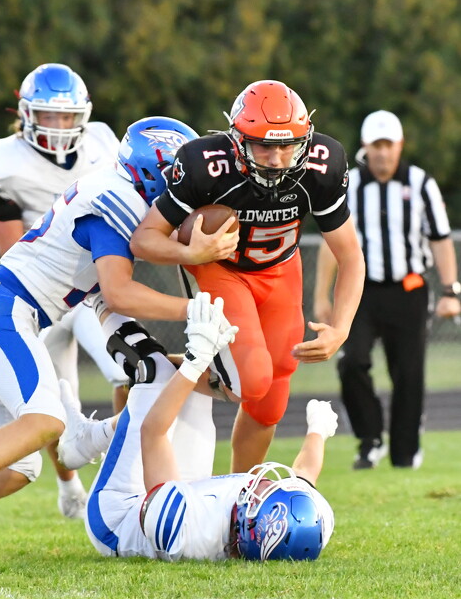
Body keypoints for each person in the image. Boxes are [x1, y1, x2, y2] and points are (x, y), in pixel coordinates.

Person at [0, 116, 200, 565]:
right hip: (5, 310)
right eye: (181, 177)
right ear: (154, 173)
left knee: (19, 469)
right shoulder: (117, 203)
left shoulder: (115, 190)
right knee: (44, 420)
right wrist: (194, 309)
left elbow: (102, 296)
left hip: (0, 312)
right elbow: (120, 291)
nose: (188, 189)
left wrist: (148, 346)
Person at [130, 80, 365, 473]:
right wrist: (190, 253)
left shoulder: (323, 165)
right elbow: (144, 239)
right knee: (251, 380)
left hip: (280, 268)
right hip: (220, 268)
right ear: (238, 141)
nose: (276, 158)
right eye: (263, 146)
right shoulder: (205, 165)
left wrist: (341, 329)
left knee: (271, 401)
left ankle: (239, 492)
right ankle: (151, 367)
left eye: (287, 146)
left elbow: (351, 256)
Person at [60, 292, 338, 561]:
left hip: (120, 515)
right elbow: (304, 475)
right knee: (205, 383)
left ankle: (98, 294)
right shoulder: (308, 522)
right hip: (190, 493)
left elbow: (153, 432)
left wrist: (196, 358)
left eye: (260, 497)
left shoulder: (182, 527)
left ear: (246, 524)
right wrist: (318, 429)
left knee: (155, 371)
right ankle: (92, 437)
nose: (264, 485)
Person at [0, 62, 130, 519]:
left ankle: (124, 475)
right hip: (42, 291)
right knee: (55, 403)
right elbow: (12, 249)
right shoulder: (1, 163)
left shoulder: (103, 142)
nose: (59, 126)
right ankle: (70, 487)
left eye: (67, 116)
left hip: (94, 288)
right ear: (26, 114)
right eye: (49, 115)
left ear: (83, 116)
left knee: (127, 370)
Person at [313, 110, 461, 470]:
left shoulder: (421, 183)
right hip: (361, 292)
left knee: (408, 372)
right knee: (352, 362)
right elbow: (332, 244)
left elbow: (440, 239)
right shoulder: (348, 185)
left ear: (400, 145)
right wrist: (321, 296)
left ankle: (405, 452)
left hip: (408, 290)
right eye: (376, 145)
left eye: (388, 144)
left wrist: (450, 291)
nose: (382, 152)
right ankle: (370, 439)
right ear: (365, 146)